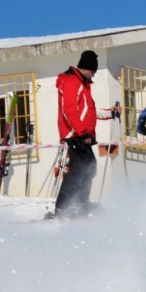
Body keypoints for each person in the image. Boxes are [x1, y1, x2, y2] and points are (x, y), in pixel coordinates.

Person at [54, 50, 120, 218]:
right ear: (88, 69)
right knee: (77, 170)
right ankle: (63, 207)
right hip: (75, 134)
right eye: (93, 72)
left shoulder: (82, 84)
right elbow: (69, 110)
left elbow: (87, 111)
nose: (93, 76)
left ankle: (81, 203)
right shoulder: (71, 81)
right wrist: (82, 133)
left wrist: (109, 113)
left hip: (83, 135)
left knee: (89, 169)